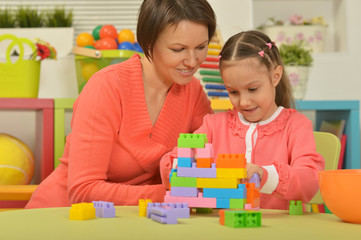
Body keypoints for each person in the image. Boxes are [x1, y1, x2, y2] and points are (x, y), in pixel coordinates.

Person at [26, 0, 216, 208]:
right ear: (148, 43)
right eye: (178, 49)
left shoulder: (193, 92)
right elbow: (83, 190)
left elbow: (212, 158)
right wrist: (172, 195)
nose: (192, 61)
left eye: (201, 47)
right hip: (62, 215)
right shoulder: (106, 86)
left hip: (134, 220)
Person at [160, 30, 325, 210]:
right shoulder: (213, 125)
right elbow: (170, 163)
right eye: (233, 92)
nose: (244, 102)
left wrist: (264, 174)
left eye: (253, 89)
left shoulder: (295, 125)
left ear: (275, 76)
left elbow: (310, 180)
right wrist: (186, 168)